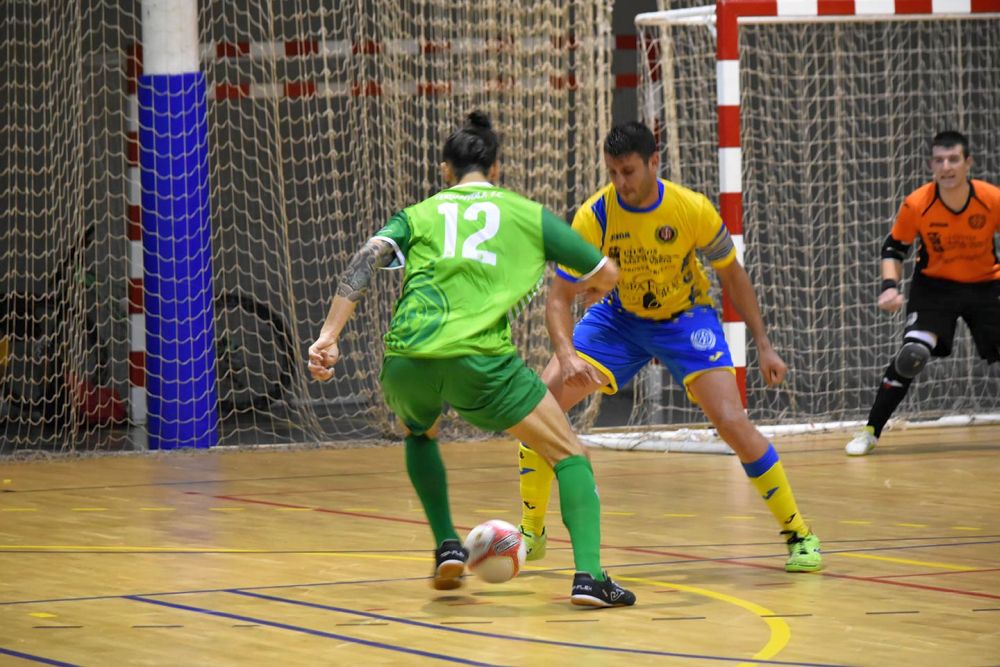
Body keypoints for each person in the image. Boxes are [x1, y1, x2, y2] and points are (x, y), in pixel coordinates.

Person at [308, 111, 636, 608]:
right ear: (497, 168)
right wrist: (579, 286)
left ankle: (446, 547)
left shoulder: (419, 214)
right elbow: (605, 271)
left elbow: (368, 254)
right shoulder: (525, 214)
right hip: (480, 363)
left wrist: (329, 336)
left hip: (406, 359)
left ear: (446, 170)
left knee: (420, 433)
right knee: (569, 454)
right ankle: (589, 577)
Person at [517, 121, 823, 573]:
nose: (621, 182)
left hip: (685, 319)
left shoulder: (690, 208)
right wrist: (565, 356)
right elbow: (559, 299)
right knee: (538, 408)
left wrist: (763, 343)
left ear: (653, 163)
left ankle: (799, 534)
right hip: (619, 320)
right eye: (613, 173)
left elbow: (732, 274)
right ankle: (531, 532)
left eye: (629, 171)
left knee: (732, 422)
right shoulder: (594, 215)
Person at [845, 131, 1000, 456]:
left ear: (967, 163)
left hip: (986, 285)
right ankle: (871, 431)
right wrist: (889, 287)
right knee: (911, 355)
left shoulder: (990, 198)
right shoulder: (917, 203)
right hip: (935, 288)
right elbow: (894, 248)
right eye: (940, 160)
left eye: (954, 159)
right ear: (931, 165)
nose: (947, 167)